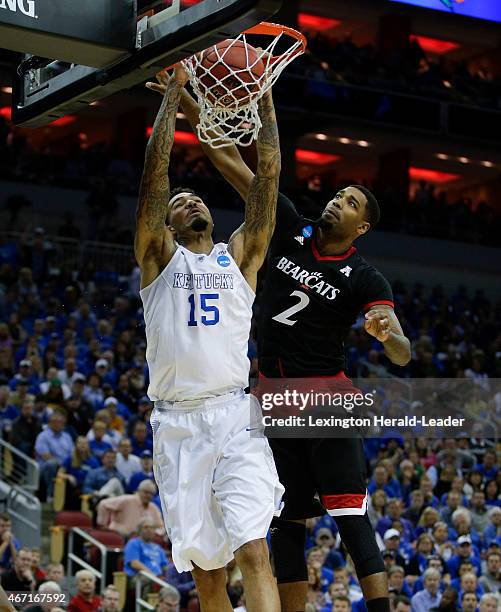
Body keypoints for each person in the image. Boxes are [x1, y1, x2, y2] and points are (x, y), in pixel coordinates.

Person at [153, 68, 411, 612]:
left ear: (361, 227)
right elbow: (231, 162)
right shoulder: (290, 223)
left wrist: (389, 336)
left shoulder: (366, 277)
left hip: (325, 395)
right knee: (285, 518)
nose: (338, 202)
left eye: (350, 204)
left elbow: (400, 346)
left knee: (347, 511)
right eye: (339, 194)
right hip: (270, 395)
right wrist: (192, 112)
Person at [139, 66, 283, 611]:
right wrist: (173, 99)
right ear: (167, 225)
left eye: (198, 197)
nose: (192, 201)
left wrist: (263, 100)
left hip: (233, 415)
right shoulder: (157, 261)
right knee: (207, 576)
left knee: (255, 550)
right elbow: (153, 183)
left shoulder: (240, 256)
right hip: (177, 424)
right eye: (180, 203)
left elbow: (267, 176)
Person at [96, 479, 163, 536]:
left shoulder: (154, 508)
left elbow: (161, 527)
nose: (148, 495)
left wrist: (154, 532)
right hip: (119, 535)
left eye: (151, 494)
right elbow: (103, 504)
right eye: (146, 492)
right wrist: (103, 525)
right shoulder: (127, 500)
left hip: (141, 540)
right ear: (139, 491)